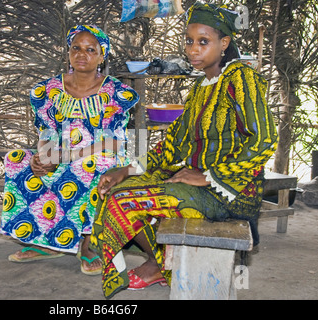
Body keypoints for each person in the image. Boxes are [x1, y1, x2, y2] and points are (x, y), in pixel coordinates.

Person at [90, 2, 278, 298]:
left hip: (231, 192)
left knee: (126, 202)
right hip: (205, 184)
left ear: (224, 43)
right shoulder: (202, 87)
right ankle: (163, 264)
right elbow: (172, 144)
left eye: (203, 42)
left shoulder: (240, 78)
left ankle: (158, 266)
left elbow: (263, 140)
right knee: (115, 189)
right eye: (189, 41)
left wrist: (209, 176)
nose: (193, 49)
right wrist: (125, 169)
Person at [0, 25, 139, 275]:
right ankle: (48, 242)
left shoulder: (116, 92)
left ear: (101, 55)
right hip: (59, 152)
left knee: (85, 168)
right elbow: (46, 130)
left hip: (100, 153)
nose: (82, 54)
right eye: (76, 48)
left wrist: (68, 156)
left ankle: (87, 247)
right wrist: (44, 157)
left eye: (90, 49)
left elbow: (115, 140)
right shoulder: (49, 90)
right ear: (68, 53)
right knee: (17, 160)